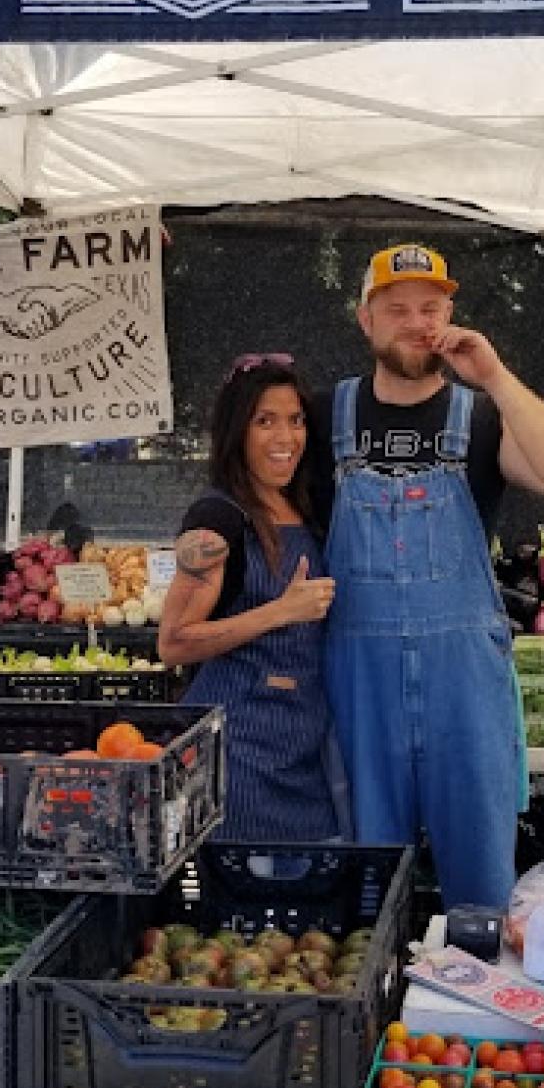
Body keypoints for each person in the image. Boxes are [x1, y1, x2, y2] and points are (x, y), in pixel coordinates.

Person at [310, 244, 544, 912]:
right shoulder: (325, 417)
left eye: (431, 309)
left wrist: (494, 376)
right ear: (366, 320)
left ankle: (478, 1005)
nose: (416, 322)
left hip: (464, 686)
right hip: (358, 685)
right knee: (363, 887)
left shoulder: (486, 416)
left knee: (482, 893)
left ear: (452, 317)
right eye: (398, 309)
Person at [158, 354, 345, 842]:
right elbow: (173, 642)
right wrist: (282, 611)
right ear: (237, 431)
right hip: (238, 758)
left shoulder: (307, 510)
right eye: (265, 422)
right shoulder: (215, 523)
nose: (286, 439)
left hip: (303, 754)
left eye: (296, 420)